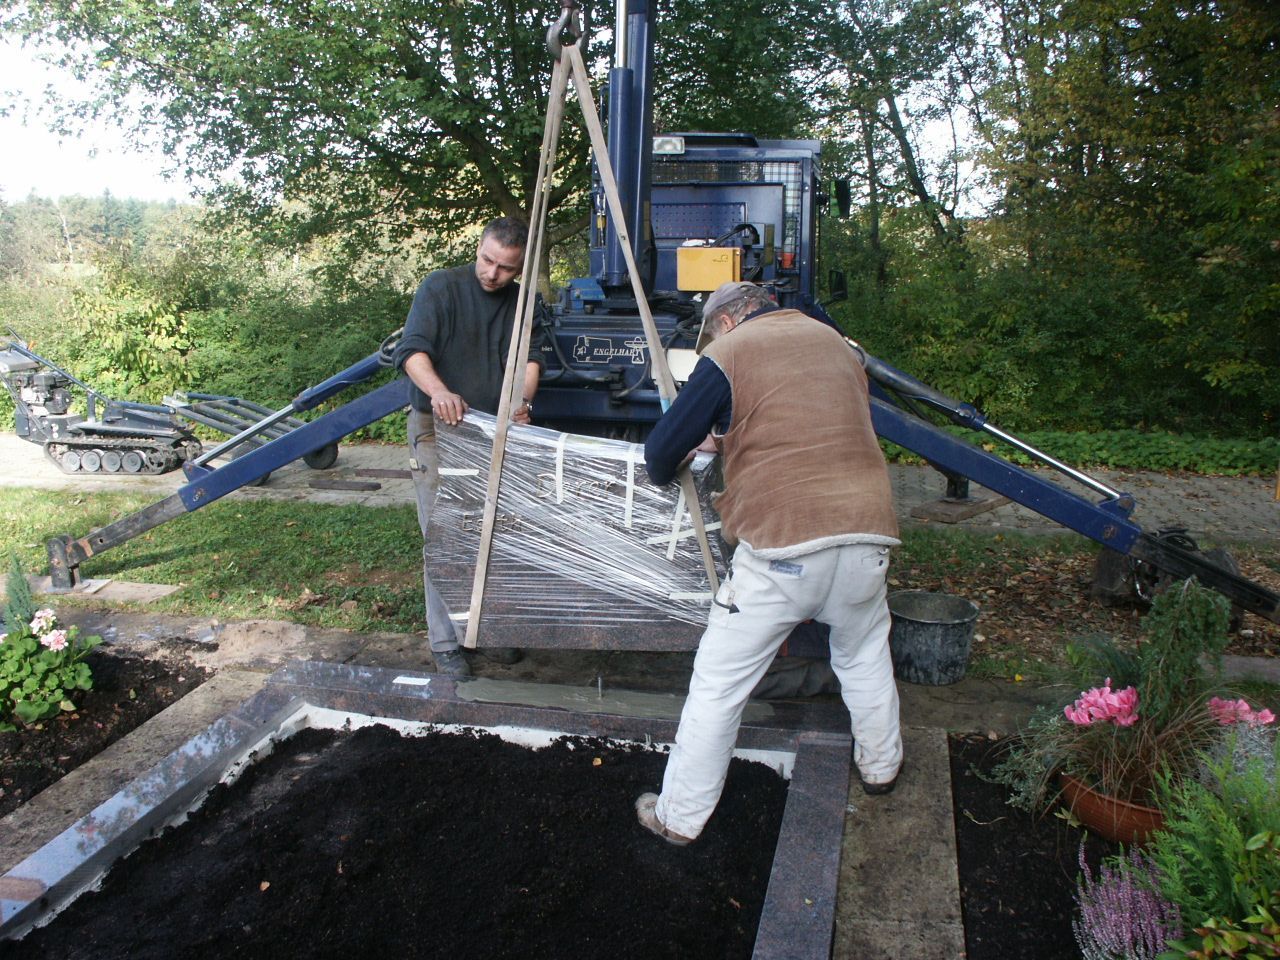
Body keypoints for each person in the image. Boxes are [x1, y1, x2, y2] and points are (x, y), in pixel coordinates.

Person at [635, 280, 903, 846]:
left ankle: (679, 817)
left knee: (719, 684)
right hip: (868, 533)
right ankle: (881, 769)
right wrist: (730, 437)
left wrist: (701, 441)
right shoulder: (836, 344)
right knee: (863, 655)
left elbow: (659, 456)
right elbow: (810, 423)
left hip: (785, 546)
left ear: (725, 323)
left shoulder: (729, 353)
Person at [393, 217, 544, 677]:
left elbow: (530, 361)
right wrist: (439, 391)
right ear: (478, 248)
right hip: (438, 430)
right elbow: (412, 352)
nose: (492, 273)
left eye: (506, 268)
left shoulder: (524, 303)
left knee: (494, 536)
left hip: (493, 434)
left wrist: (521, 403)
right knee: (444, 537)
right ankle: (445, 643)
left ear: (520, 268)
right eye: (487, 260)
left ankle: (482, 632)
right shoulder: (440, 288)